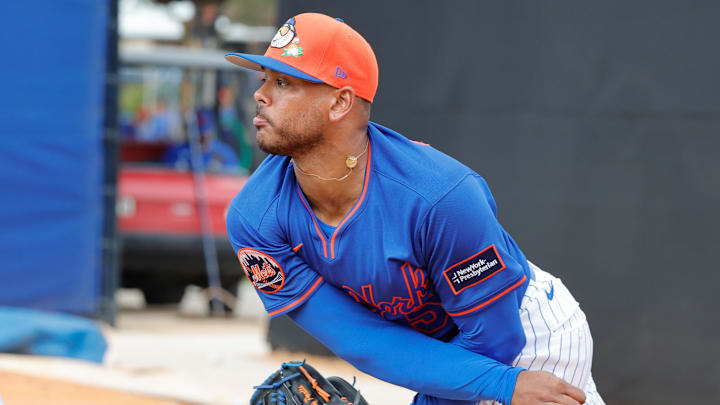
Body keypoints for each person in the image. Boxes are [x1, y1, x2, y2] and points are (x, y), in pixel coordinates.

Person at [224, 13, 605, 405]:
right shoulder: (254, 218)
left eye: (283, 82)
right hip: (439, 354)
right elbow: (362, 338)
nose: (261, 93)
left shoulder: (440, 197)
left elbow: (496, 337)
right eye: (265, 79)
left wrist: (501, 385)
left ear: (340, 102)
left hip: (524, 345)